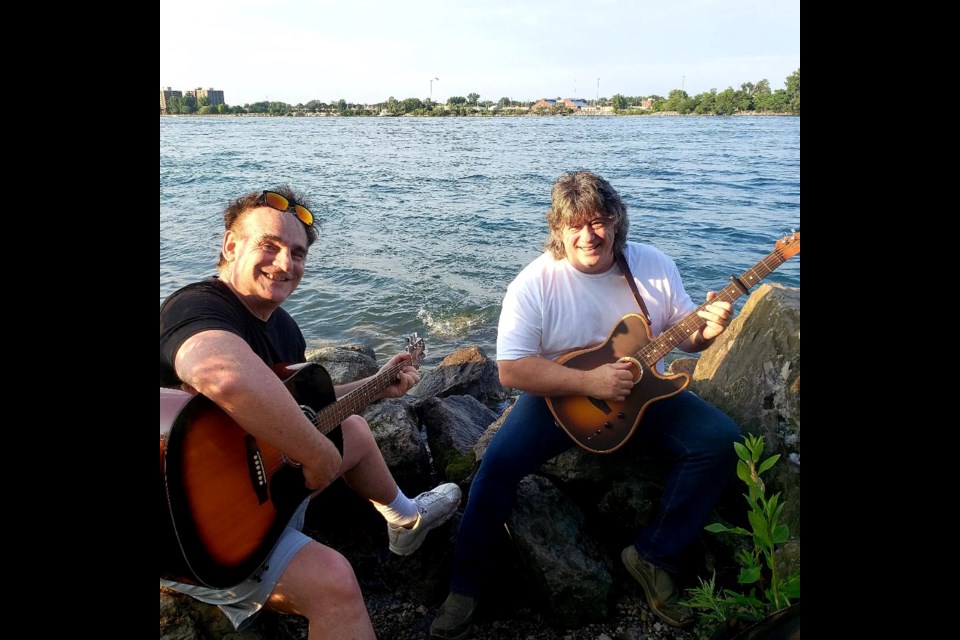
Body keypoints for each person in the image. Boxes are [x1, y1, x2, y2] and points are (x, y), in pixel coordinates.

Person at [430, 171, 740, 639]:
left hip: (642, 393)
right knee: (496, 467)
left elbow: (686, 333)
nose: (588, 235)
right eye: (575, 225)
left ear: (616, 221)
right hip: (561, 398)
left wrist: (709, 330)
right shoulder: (534, 284)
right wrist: (587, 379)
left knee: (722, 442)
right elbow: (511, 370)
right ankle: (466, 586)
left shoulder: (652, 265)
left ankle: (654, 556)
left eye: (598, 221)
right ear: (558, 229)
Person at [160, 185, 461, 639]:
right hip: (195, 531)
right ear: (230, 246)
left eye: (297, 253)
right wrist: (317, 454)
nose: (285, 264)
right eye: (269, 246)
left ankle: (405, 519)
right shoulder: (196, 307)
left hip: (258, 496)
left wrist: (377, 385)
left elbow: (295, 405)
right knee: (336, 583)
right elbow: (221, 374)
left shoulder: (282, 327)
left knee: (353, 426)